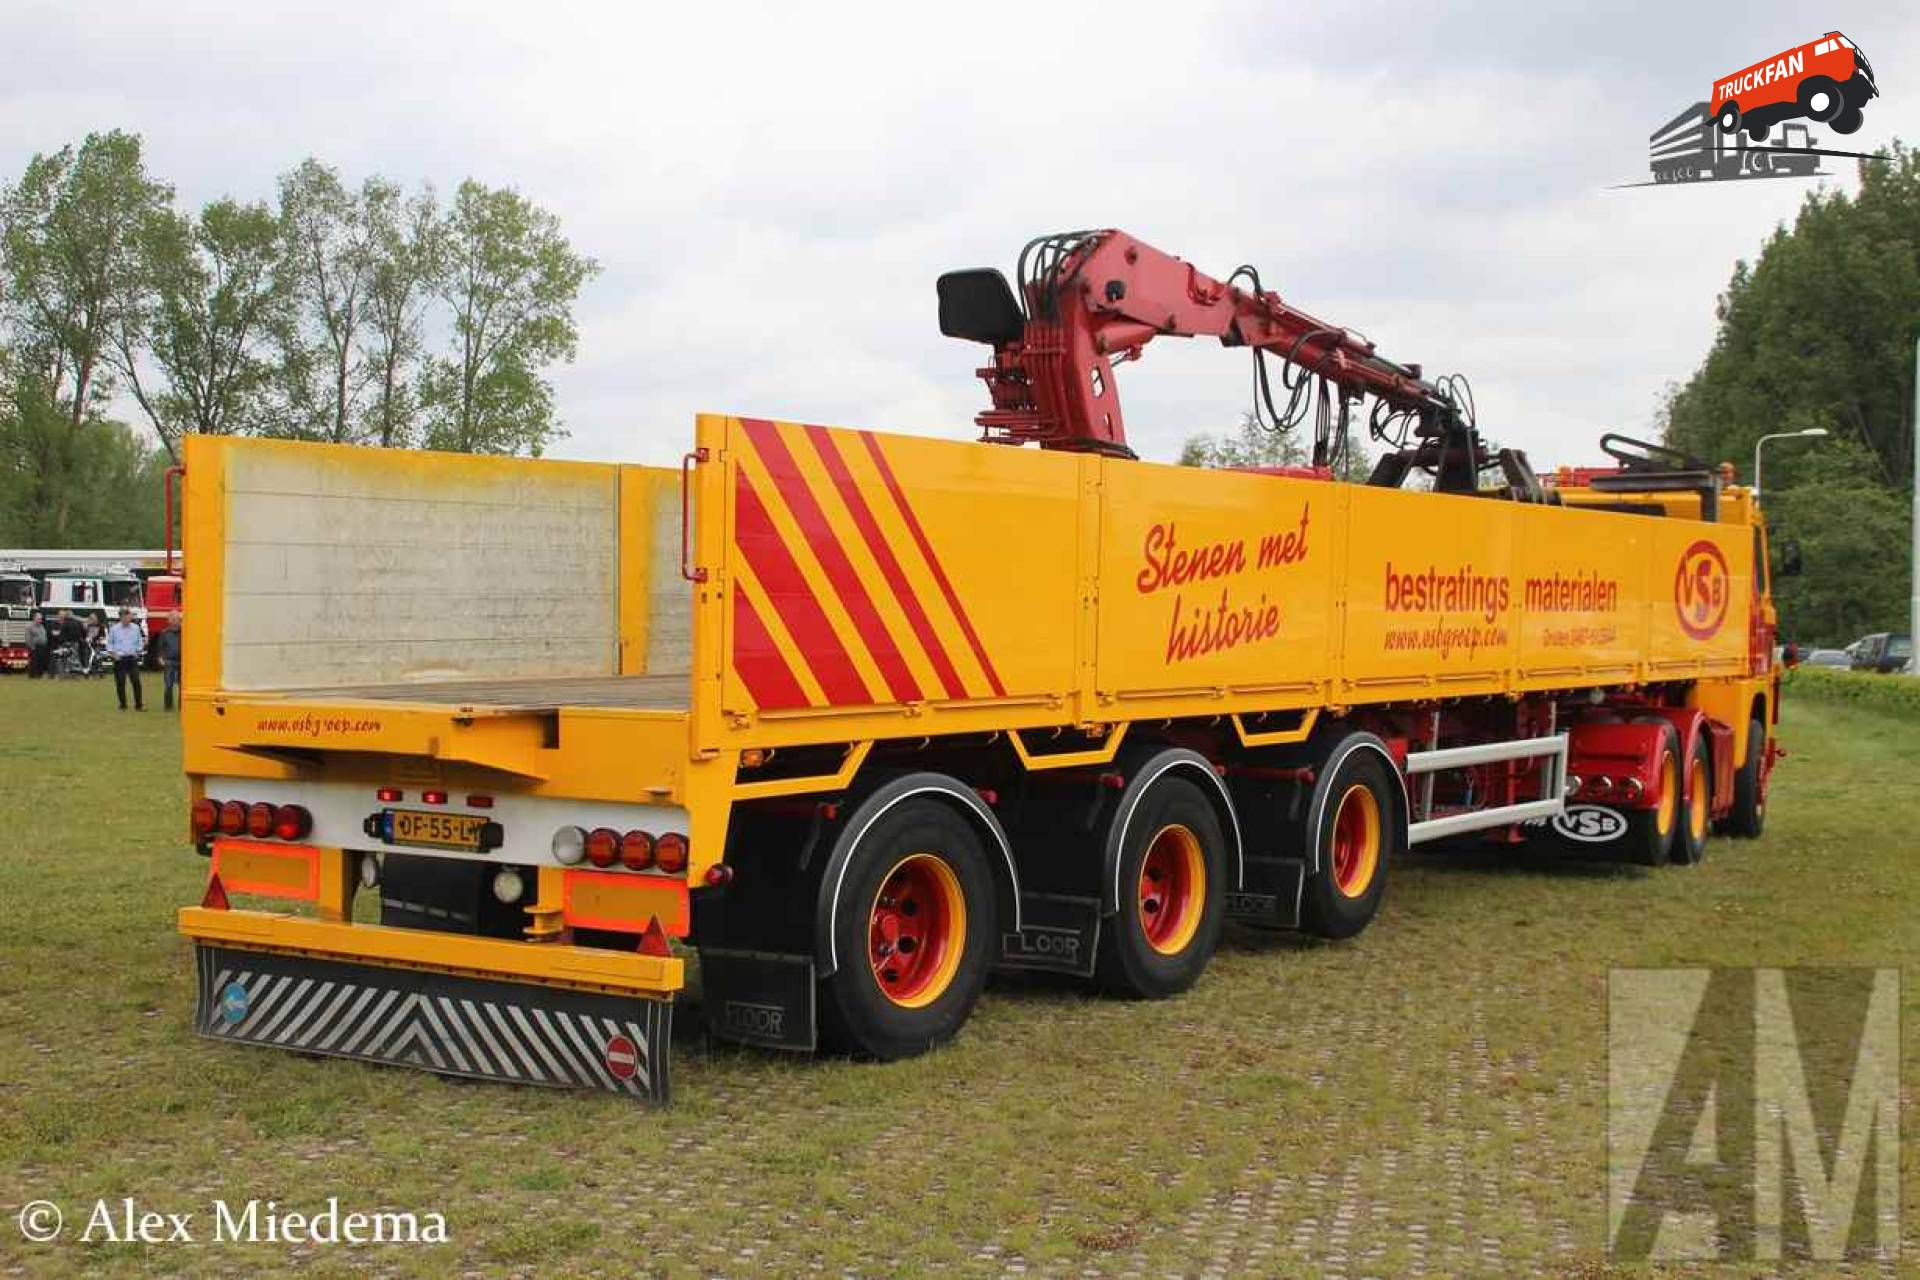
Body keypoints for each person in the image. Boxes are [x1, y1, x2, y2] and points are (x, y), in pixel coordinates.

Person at [105, 608, 146, 710]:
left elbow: (139, 641)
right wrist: (114, 654)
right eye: (127, 616)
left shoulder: (136, 628)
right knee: (120, 683)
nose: (129, 618)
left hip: (132, 658)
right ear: (121, 617)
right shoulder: (114, 629)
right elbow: (109, 643)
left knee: (136, 682)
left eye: (130, 616)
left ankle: (139, 705)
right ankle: (123, 704)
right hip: (120, 659)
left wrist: (138, 651)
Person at [154, 613, 182, 710]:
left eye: (177, 619)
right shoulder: (164, 633)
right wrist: (160, 658)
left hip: (183, 663)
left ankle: (182, 707)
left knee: (182, 686)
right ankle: (168, 706)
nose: (175, 621)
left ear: (180, 620)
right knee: (168, 685)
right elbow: (160, 647)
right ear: (168, 621)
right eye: (172, 619)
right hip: (169, 661)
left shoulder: (185, 632)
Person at [25, 611, 49, 678]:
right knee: (33, 662)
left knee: (41, 661)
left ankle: (39, 675)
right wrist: (32, 647)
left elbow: (44, 635)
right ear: (34, 618)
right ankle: (32, 675)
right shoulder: (29, 627)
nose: (40, 620)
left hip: (42, 647)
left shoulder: (41, 626)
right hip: (34, 647)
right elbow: (27, 638)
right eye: (38, 619)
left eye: (41, 619)